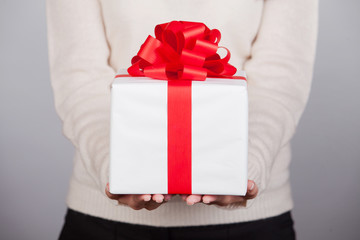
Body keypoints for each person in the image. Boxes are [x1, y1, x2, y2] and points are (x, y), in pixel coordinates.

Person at [46, 0, 318, 239]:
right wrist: (116, 172)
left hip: (252, 223)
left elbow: (280, 80)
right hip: (103, 222)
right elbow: (80, 78)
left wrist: (243, 171)